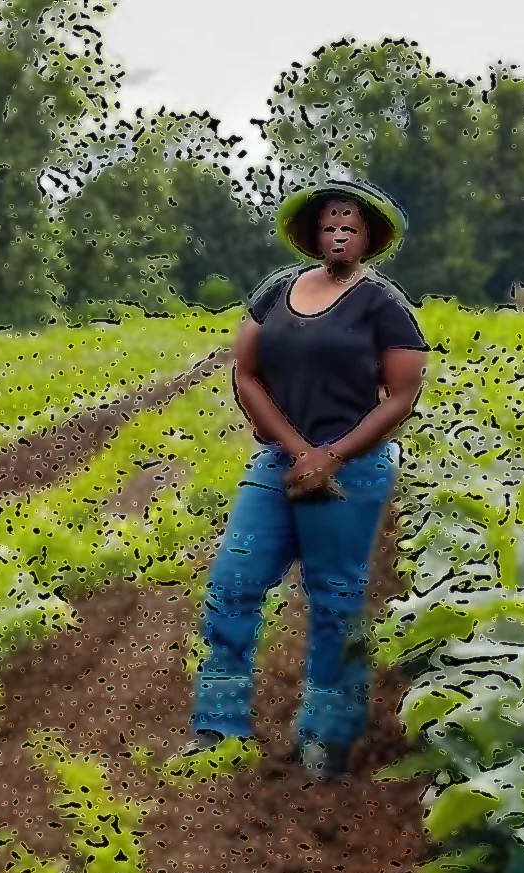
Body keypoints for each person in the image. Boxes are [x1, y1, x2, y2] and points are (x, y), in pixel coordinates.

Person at [185, 180, 428, 780]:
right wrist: (298, 452)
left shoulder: (384, 304)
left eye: (351, 226)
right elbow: (246, 374)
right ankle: (219, 726)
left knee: (335, 600)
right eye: (330, 225)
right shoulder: (277, 290)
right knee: (233, 583)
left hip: (353, 470)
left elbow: (402, 396)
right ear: (314, 235)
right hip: (278, 464)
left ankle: (328, 737)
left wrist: (332, 457)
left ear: (368, 237)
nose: (340, 234)